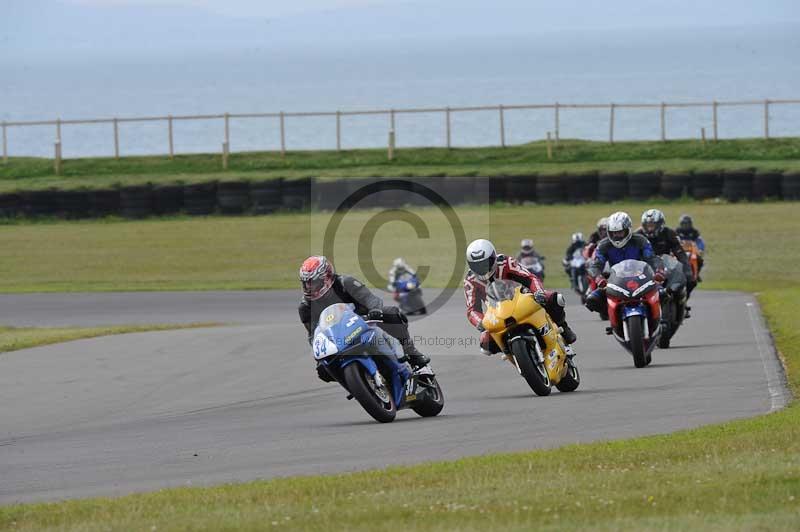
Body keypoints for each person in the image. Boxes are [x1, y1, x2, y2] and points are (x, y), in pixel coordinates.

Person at [298, 256, 430, 381]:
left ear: (326, 277)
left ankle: (413, 355)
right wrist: (319, 358)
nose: (309, 287)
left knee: (392, 313)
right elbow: (313, 335)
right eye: (306, 283)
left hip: (366, 323)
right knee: (323, 371)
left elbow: (371, 300)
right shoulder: (306, 307)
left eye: (313, 283)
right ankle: (356, 383)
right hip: (339, 336)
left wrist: (375, 311)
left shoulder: (345, 283)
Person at [464, 239, 576, 356]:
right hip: (497, 311)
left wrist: (538, 292)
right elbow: (472, 309)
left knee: (555, 299)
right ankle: (515, 355)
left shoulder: (505, 262)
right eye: (477, 266)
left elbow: (529, 278)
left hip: (521, 297)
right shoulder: (470, 280)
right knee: (485, 345)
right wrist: (480, 322)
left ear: (494, 257)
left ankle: (563, 329)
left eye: (486, 263)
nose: (483, 268)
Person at [584, 211, 664, 315]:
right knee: (591, 300)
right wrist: (599, 278)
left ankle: (661, 318)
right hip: (616, 281)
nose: (617, 236)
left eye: (620, 232)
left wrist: (659, 271)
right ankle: (610, 315)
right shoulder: (603, 245)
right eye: (614, 233)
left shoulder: (640, 240)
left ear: (628, 230)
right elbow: (596, 265)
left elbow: (652, 258)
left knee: (664, 294)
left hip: (641, 279)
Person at [637, 209, 697, 296]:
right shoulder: (638, 235)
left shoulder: (669, 234)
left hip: (666, 268)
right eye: (647, 225)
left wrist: (688, 272)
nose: (649, 228)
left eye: (652, 225)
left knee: (688, 282)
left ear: (660, 224)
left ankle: (680, 305)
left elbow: (680, 254)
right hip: (644, 269)